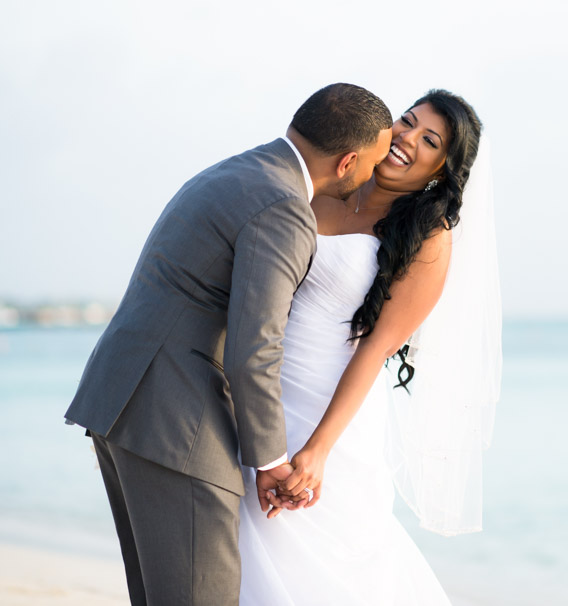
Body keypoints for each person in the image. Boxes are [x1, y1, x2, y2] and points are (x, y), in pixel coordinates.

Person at [64, 83, 393, 605]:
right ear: (348, 160)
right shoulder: (285, 208)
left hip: (123, 402)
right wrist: (271, 463)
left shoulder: (234, 171)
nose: (373, 175)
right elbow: (254, 349)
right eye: (373, 164)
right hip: (177, 424)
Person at [238, 90, 501, 605]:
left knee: (323, 567)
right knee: (244, 556)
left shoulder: (428, 237)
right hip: (259, 395)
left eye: (430, 141)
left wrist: (317, 450)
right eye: (407, 122)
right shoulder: (327, 189)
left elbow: (376, 347)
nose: (407, 138)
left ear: (441, 171)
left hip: (331, 415)